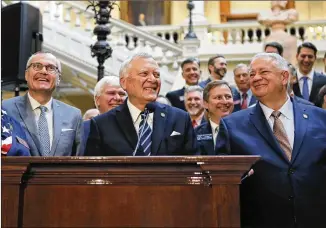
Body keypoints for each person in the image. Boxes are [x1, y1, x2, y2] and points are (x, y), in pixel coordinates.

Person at [216, 53, 326, 228]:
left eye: (263, 72)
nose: (256, 78)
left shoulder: (320, 118)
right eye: (252, 74)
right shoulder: (232, 126)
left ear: (284, 77)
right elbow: (223, 186)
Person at [85, 53, 197, 156]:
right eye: (144, 73)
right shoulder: (101, 124)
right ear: (124, 82)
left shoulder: (180, 119)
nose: (153, 79)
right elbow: (94, 171)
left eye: (157, 75)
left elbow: (193, 166)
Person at [2, 51, 83, 156]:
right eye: (37, 66)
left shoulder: (73, 115)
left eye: (51, 68)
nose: (44, 71)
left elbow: (78, 159)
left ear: (58, 79)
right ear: (26, 75)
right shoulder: (5, 109)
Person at [81, 76, 126, 155]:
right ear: (97, 100)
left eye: (122, 94)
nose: (118, 98)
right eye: (111, 93)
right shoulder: (83, 129)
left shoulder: (137, 127)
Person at [195, 81, 234, 155]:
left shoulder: (245, 130)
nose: (225, 101)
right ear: (206, 104)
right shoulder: (195, 133)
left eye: (228, 97)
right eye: (218, 97)